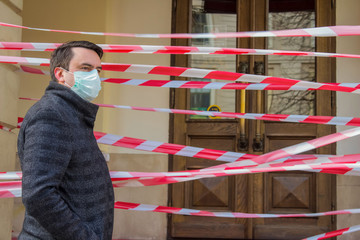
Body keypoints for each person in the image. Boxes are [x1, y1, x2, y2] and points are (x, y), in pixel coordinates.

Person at [17, 41, 114, 240]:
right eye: (85, 68)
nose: (94, 76)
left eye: (98, 70)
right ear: (61, 75)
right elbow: (38, 195)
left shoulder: (71, 113)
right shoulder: (51, 115)